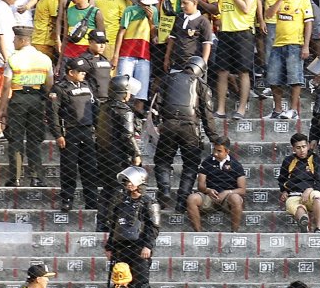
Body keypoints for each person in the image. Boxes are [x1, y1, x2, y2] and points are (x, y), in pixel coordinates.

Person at [152, 55, 217, 211]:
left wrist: (156, 124)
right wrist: (214, 137)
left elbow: (156, 103)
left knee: (162, 161)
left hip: (168, 125)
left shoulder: (169, 78)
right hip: (190, 128)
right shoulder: (201, 84)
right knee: (190, 165)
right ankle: (181, 202)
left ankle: (165, 191)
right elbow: (207, 114)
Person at [106, 166, 160, 288]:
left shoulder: (149, 202)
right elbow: (114, 225)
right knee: (121, 284)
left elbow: (153, 227)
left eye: (130, 180)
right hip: (121, 248)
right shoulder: (121, 201)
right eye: (126, 181)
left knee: (141, 284)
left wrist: (147, 246)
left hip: (139, 248)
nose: (127, 184)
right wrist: (109, 246)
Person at [1, 25, 52, 187]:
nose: (13, 41)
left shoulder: (13, 58)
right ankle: (35, 177)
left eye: (15, 39)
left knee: (15, 139)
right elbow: (50, 84)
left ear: (23, 40)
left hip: (18, 100)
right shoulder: (44, 58)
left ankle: (15, 178)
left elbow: (6, 86)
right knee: (34, 140)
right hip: (37, 99)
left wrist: (2, 109)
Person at [49, 56, 98, 212]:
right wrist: (58, 134)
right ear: (71, 72)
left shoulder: (87, 85)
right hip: (69, 132)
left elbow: (94, 108)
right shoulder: (59, 88)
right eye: (81, 71)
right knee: (69, 168)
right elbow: (52, 113)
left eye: (85, 72)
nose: (84, 74)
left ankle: (91, 200)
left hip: (88, 131)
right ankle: (67, 199)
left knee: (89, 168)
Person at [96, 75, 143, 230]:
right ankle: (112, 223)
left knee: (106, 190)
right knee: (118, 189)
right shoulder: (124, 110)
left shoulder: (103, 107)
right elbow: (128, 135)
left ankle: (102, 223)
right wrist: (136, 154)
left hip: (103, 154)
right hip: (118, 156)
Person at [189, 136, 247, 233]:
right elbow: (201, 186)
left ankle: (234, 233)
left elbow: (242, 189)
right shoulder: (207, 162)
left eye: (219, 151)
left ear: (227, 151)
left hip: (228, 199)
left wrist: (227, 192)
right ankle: (198, 233)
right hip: (209, 197)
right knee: (192, 199)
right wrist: (208, 190)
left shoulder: (236, 165)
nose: (215, 153)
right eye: (214, 150)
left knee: (236, 199)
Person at [278, 133, 320, 233]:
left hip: (311, 193)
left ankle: (318, 228)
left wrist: (310, 189)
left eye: (304, 146)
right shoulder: (288, 161)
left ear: (308, 145)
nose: (302, 150)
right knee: (297, 207)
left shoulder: (316, 159)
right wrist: (284, 191)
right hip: (293, 195)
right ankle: (304, 225)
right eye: (298, 148)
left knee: (317, 196)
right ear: (293, 149)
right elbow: (282, 179)